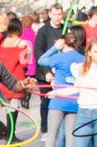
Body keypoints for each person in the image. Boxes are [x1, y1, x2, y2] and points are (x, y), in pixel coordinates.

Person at [33, 28, 84, 147]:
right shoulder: (82, 58)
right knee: (70, 136)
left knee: (52, 135)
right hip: (75, 100)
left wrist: (55, 48)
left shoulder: (61, 57)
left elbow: (41, 60)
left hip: (59, 101)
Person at [34, 4, 66, 134]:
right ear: (50, 14)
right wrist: (47, 71)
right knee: (45, 102)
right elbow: (38, 52)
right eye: (55, 14)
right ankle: (45, 129)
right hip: (44, 73)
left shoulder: (65, 29)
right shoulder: (43, 31)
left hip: (61, 72)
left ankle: (61, 129)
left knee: (62, 101)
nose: (57, 17)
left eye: (59, 14)